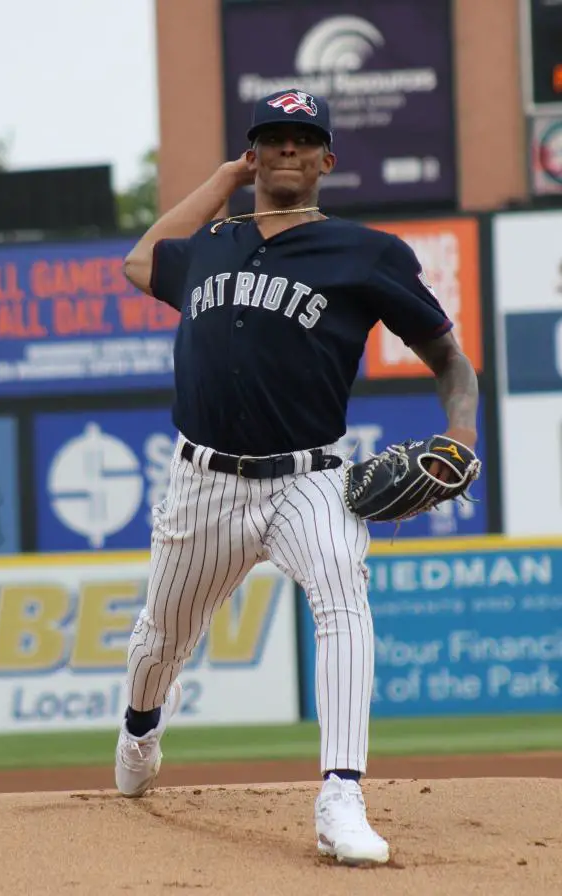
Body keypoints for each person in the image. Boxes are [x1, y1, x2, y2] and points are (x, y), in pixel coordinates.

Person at [116, 88, 479, 866]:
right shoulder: (210, 244)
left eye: (302, 138)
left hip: (310, 477)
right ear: (254, 154)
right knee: (159, 641)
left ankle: (340, 794)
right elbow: (138, 261)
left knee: (344, 597)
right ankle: (141, 730)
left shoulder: (365, 251)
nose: (286, 150)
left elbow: (448, 355)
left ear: (326, 160)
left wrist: (461, 430)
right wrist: (218, 181)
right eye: (272, 138)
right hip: (202, 483)